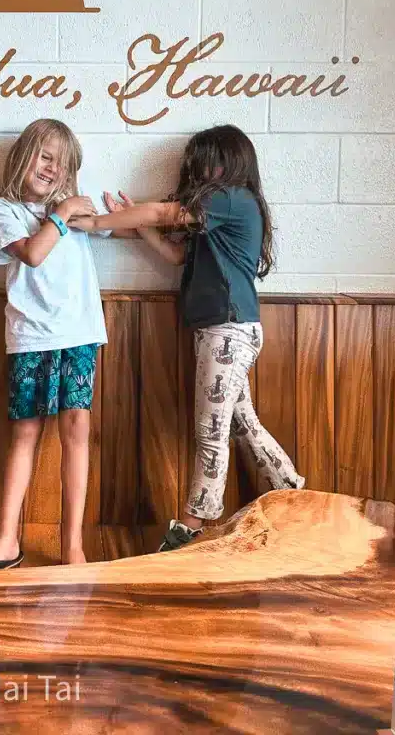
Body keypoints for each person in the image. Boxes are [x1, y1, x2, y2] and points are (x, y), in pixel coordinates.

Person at [70, 124, 305, 551]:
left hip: (228, 329)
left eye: (205, 163)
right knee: (239, 421)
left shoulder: (232, 199)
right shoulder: (217, 213)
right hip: (220, 329)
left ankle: (191, 527)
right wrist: (131, 224)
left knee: (210, 429)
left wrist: (99, 220)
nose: (198, 172)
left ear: (230, 162)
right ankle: (292, 490)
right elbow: (175, 252)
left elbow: (162, 213)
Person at [0, 118, 111, 570]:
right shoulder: (3, 210)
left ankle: (72, 547)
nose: (52, 168)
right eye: (45, 156)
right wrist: (62, 213)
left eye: (62, 165)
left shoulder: (73, 214)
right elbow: (33, 253)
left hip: (80, 335)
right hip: (30, 336)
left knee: (76, 434)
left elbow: (114, 226)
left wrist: (153, 218)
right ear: (24, 156)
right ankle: (7, 538)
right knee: (25, 433)